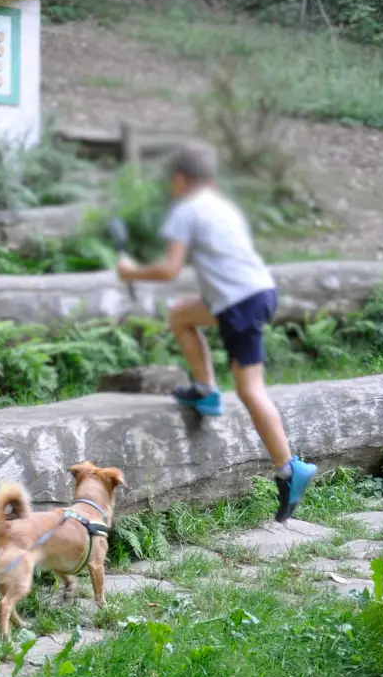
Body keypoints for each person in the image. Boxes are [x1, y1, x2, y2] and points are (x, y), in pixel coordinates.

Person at [115, 143, 319, 523]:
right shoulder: (222, 207)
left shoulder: (186, 211)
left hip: (238, 301)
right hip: (256, 291)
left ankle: (289, 469)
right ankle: (206, 392)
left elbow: (170, 270)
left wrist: (130, 272)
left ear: (180, 179)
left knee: (249, 389)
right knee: (181, 314)